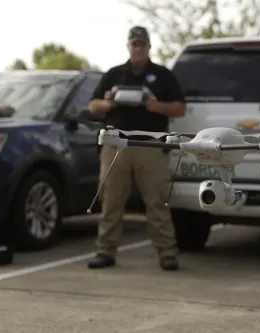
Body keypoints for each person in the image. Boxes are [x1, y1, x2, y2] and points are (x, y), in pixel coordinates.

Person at [86, 26, 186, 271]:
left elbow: (180, 108)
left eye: (142, 45)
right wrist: (107, 102)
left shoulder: (162, 75)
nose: (138, 48)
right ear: (128, 47)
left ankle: (167, 252)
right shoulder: (114, 74)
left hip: (149, 144)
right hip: (115, 142)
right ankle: (105, 251)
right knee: (111, 199)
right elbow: (93, 106)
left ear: (149, 47)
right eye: (134, 44)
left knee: (157, 199)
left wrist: (155, 106)